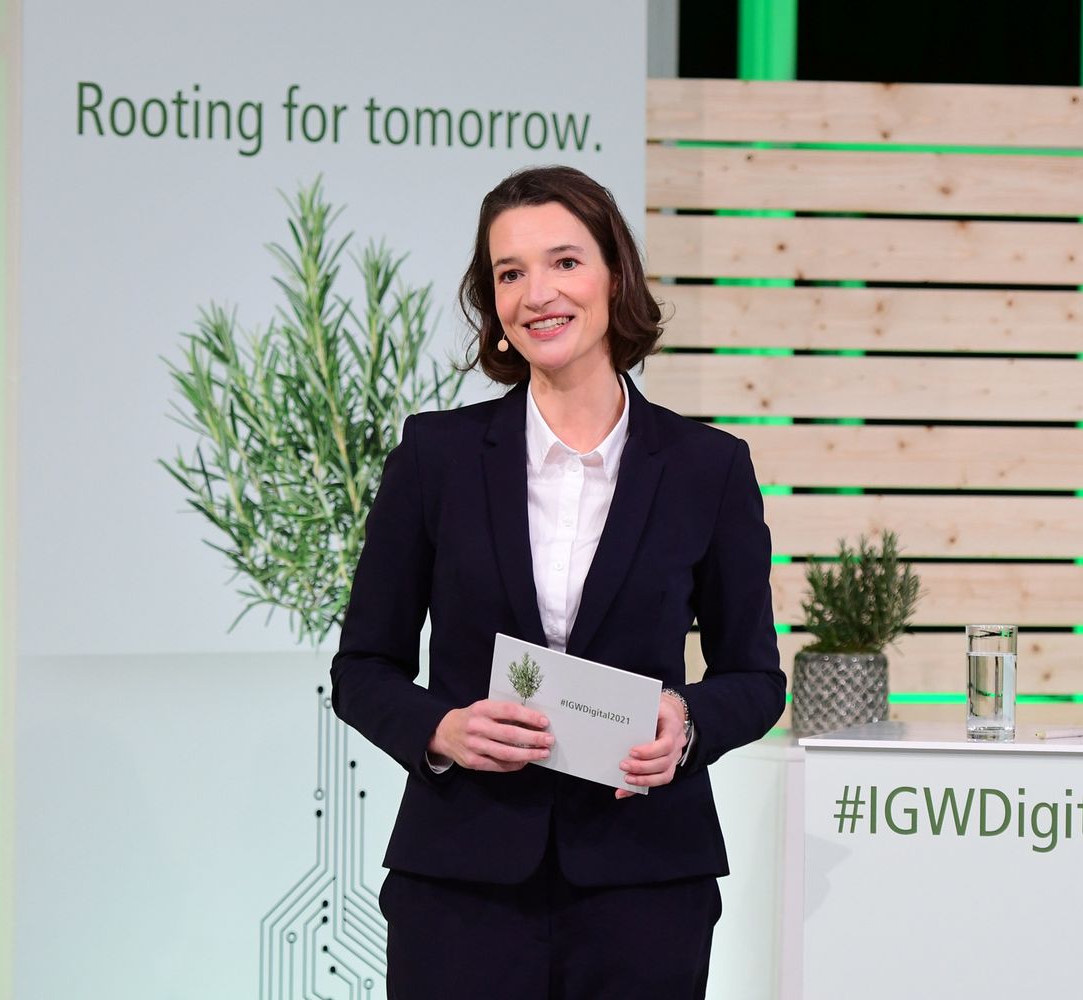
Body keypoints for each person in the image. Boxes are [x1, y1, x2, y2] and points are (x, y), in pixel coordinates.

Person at [330, 164, 785, 999]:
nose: (537, 293)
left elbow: (756, 679)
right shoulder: (435, 457)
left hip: (646, 884)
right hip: (461, 886)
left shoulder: (708, 468)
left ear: (616, 276)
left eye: (565, 262)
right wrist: (442, 730)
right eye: (510, 273)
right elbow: (362, 668)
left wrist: (684, 720)